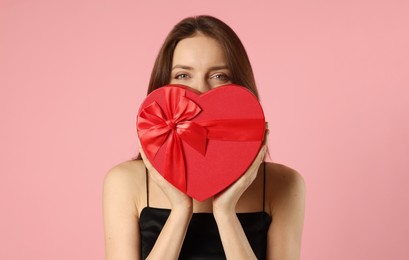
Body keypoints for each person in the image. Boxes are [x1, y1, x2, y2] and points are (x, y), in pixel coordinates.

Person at [103, 15, 305, 260]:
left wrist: (225, 212)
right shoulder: (125, 182)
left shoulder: (282, 185)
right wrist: (180, 210)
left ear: (241, 86)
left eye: (219, 76)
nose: (200, 92)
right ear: (162, 85)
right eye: (182, 76)